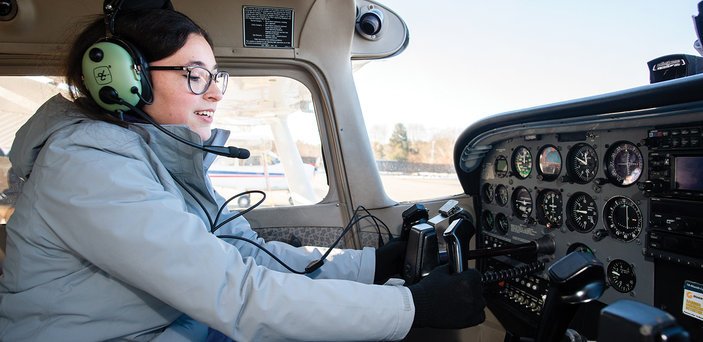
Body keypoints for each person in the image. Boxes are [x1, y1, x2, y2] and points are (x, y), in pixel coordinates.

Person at [0, 4, 485, 342]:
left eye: (217, 76)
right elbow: (235, 291)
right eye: (195, 75)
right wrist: (411, 309)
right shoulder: (86, 165)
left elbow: (242, 256)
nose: (215, 93)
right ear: (128, 81)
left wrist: (373, 266)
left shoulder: (156, 156)